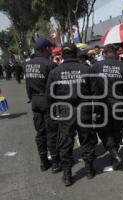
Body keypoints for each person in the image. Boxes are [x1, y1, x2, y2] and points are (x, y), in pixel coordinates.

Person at [46, 43, 96, 186]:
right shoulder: (86, 69)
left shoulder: (55, 72)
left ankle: (67, 175)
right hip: (83, 109)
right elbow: (94, 91)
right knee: (86, 139)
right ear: (76, 54)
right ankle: (89, 170)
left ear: (62, 54)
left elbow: (50, 96)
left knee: (66, 142)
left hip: (64, 110)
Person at [91, 44, 123, 170]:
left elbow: (92, 89)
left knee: (104, 131)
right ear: (116, 53)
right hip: (120, 105)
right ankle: (114, 155)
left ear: (104, 53)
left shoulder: (96, 67)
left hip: (102, 105)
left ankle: (113, 153)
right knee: (117, 131)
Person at [24, 37, 61, 174]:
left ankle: (44, 161)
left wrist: (31, 98)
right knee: (52, 131)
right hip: (48, 101)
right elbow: (55, 87)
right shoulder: (50, 65)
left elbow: (28, 85)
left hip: (35, 100)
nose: (51, 50)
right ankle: (56, 162)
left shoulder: (27, 64)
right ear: (46, 49)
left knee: (40, 132)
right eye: (50, 48)